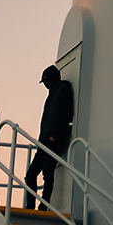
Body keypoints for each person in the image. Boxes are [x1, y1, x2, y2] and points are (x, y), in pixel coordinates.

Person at [24, 63, 75, 210]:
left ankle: (43, 206)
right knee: (31, 175)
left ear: (50, 79)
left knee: (47, 173)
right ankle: (31, 206)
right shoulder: (53, 93)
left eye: (45, 81)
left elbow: (65, 115)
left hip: (52, 140)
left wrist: (55, 136)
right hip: (44, 141)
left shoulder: (62, 91)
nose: (45, 85)